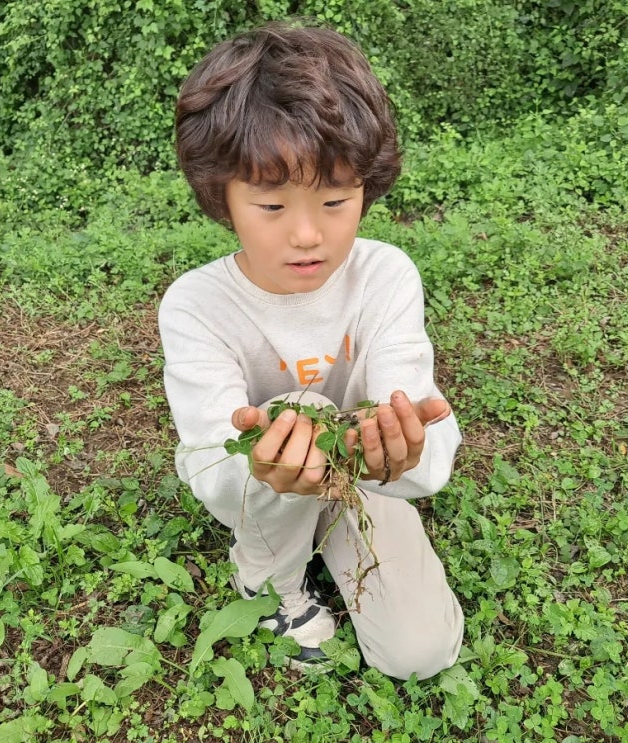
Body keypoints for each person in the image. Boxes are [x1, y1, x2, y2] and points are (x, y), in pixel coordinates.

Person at [158, 22, 464, 680]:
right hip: (261, 497)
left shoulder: (385, 277)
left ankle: (338, 533)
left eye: (334, 200)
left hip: (363, 482)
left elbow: (422, 431)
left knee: (419, 654)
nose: (306, 233)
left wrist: (403, 450)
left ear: (366, 189)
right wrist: (264, 469)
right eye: (271, 205)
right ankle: (266, 577)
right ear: (222, 197)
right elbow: (212, 462)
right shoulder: (196, 305)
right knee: (299, 410)